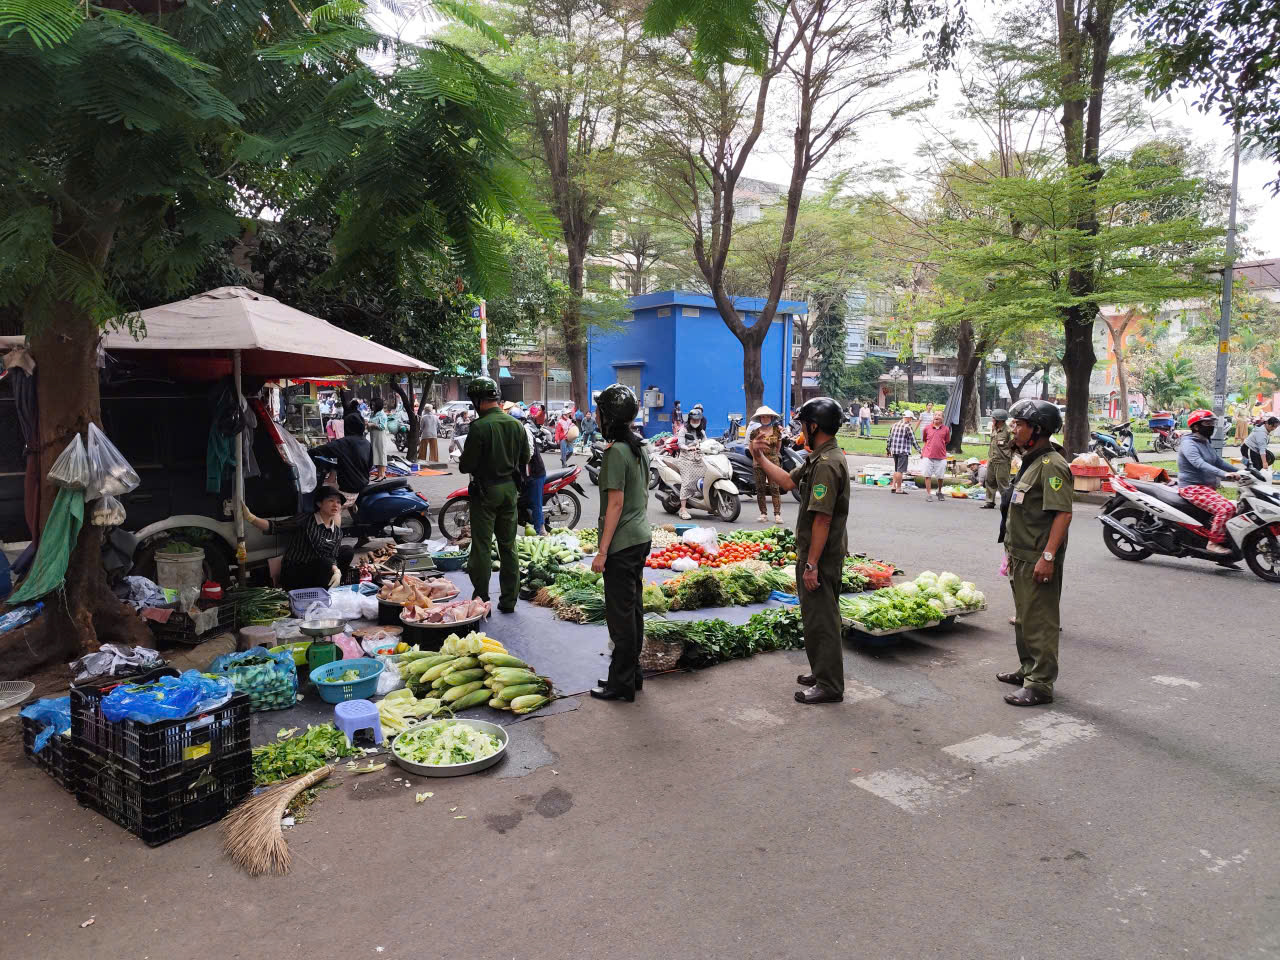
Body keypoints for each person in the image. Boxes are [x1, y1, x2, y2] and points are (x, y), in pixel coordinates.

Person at [751, 396, 849, 704]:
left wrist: (812, 565)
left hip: (821, 553)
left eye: (804, 424)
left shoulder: (827, 464)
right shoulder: (819, 457)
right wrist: (761, 458)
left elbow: (822, 519)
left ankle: (830, 685)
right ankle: (821, 670)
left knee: (823, 618)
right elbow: (786, 483)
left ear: (814, 425)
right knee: (815, 615)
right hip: (817, 551)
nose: (801, 430)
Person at [997, 398, 1073, 707]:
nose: (1013, 429)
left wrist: (1048, 557)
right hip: (1020, 554)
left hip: (1038, 557)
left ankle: (1040, 684)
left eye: (1019, 425)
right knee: (1024, 618)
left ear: (1037, 429)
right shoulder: (1031, 460)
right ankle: (1028, 669)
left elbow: (1063, 515)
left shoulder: (1052, 465)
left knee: (1039, 619)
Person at [589, 385, 652, 702]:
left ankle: (621, 684)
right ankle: (632, 676)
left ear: (608, 417)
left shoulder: (616, 452)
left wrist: (602, 550)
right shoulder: (639, 448)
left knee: (620, 617)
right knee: (633, 612)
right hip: (641, 537)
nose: (596, 416)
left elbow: (615, 504)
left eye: (599, 411)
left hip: (623, 544)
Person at [458, 378, 529, 612]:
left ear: (477, 401)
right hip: (510, 491)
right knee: (508, 546)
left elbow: (466, 465)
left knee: (481, 547)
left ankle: (481, 599)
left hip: (486, 492)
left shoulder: (479, 427)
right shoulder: (516, 424)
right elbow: (525, 459)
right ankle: (509, 601)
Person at [242, 485, 352, 591]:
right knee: (325, 563)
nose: (335, 505)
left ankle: (336, 586)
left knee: (347, 551)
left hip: (322, 568)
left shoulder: (337, 532)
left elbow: (333, 556)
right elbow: (276, 527)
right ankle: (323, 590)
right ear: (319, 503)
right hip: (296, 572)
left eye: (338, 502)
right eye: (331, 500)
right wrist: (251, 518)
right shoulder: (305, 519)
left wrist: (336, 570)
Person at [1177, 409, 1242, 556]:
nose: (1211, 426)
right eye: (1207, 423)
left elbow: (1218, 461)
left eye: (1212, 423)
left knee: (1236, 507)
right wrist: (1224, 474)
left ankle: (1225, 542)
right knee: (1226, 509)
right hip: (1192, 488)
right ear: (1196, 426)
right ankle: (1213, 543)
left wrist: (1240, 471)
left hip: (1205, 488)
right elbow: (1198, 463)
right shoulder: (1189, 443)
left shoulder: (1205, 442)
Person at [310, 414, 372, 496]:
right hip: (364, 486)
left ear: (347, 427)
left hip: (348, 490)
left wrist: (305, 452)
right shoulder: (367, 443)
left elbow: (318, 451)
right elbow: (370, 464)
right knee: (337, 460)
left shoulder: (342, 443)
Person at [747, 405, 784, 523]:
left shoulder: (777, 431)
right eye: (763, 417)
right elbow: (751, 447)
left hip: (773, 462)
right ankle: (763, 513)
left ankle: (777, 514)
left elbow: (778, 447)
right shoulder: (755, 432)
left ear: (771, 418)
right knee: (760, 488)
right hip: (758, 464)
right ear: (760, 419)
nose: (765, 419)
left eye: (767, 417)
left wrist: (772, 457)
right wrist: (757, 458)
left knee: (775, 488)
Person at [520, 404, 547, 535]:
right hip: (528, 473)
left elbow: (529, 451)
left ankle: (540, 530)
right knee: (527, 499)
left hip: (535, 472)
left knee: (536, 503)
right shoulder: (525, 429)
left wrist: (521, 461)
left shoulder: (526, 429)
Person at [677, 403, 707, 519]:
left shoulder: (702, 432)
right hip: (686, 459)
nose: (695, 422)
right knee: (688, 480)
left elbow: (706, 442)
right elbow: (680, 444)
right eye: (693, 420)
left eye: (697, 420)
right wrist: (688, 448)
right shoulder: (683, 430)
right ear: (689, 420)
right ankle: (683, 508)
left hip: (698, 458)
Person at [982, 408, 1014, 509]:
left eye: (994, 418)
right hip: (992, 459)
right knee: (990, 481)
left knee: (1003, 483)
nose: (992, 420)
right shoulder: (994, 429)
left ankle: (1006, 503)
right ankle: (990, 501)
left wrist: (1010, 457)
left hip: (1002, 461)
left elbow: (1014, 446)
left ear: (1000, 420)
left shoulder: (1009, 431)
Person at [886, 410, 919, 494]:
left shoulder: (894, 425)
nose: (911, 420)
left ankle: (893, 486)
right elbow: (913, 440)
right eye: (911, 418)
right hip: (903, 451)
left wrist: (888, 449)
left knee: (896, 469)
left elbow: (889, 438)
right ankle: (899, 488)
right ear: (908, 418)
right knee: (900, 471)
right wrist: (920, 450)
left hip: (894, 450)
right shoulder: (907, 427)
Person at [920, 412, 950, 501]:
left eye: (939, 415)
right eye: (935, 415)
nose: (937, 416)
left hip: (941, 456)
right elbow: (925, 440)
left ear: (942, 418)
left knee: (940, 476)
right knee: (927, 475)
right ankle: (928, 494)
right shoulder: (927, 428)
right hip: (928, 455)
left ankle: (939, 491)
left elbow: (947, 441)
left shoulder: (946, 429)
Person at [368, 398, 388, 481]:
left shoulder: (383, 415)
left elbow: (383, 426)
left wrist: (372, 424)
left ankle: (382, 474)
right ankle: (379, 474)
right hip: (373, 437)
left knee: (381, 455)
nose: (372, 406)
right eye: (371, 405)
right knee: (376, 455)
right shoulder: (372, 414)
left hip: (380, 437)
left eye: (374, 405)